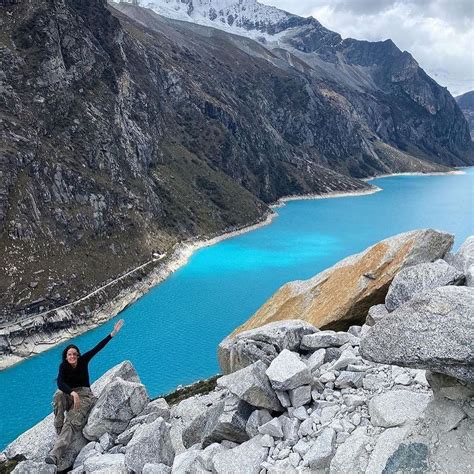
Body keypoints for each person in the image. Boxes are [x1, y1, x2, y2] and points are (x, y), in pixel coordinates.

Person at [45, 319, 124, 466]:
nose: (72, 356)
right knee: (58, 395)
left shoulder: (83, 360)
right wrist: (72, 393)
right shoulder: (63, 366)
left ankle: (55, 455)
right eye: (70, 354)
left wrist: (113, 333)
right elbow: (60, 383)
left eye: (75, 354)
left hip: (85, 396)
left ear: (78, 355)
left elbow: (97, 347)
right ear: (66, 356)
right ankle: (58, 426)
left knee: (72, 421)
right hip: (71, 394)